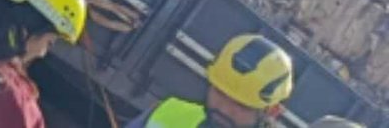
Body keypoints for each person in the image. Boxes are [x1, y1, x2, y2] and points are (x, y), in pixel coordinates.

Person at [123, 33, 294, 127]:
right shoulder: (170, 113)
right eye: (220, 93)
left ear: (272, 112)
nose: (224, 109)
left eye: (241, 105)